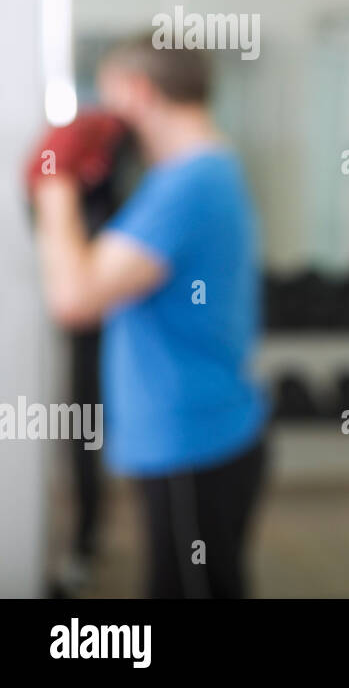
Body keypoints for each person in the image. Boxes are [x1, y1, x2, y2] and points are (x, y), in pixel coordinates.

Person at [30, 35, 268, 598]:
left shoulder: (188, 184)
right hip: (197, 434)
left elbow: (74, 297)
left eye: (111, 99)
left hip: (193, 439)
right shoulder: (195, 174)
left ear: (139, 93)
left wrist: (53, 183)